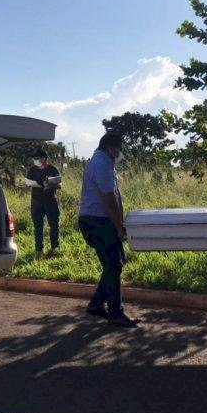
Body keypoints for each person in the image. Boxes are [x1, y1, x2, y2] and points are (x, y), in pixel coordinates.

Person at [78, 132, 140, 327]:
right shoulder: (102, 164)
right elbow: (109, 200)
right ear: (111, 148)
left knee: (114, 264)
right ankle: (115, 312)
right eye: (119, 149)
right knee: (114, 264)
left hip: (98, 220)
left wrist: (119, 222)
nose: (120, 153)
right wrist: (118, 226)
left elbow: (114, 195)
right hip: (98, 221)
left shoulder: (103, 162)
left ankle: (97, 305)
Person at [25, 147, 61, 257]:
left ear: (44, 159)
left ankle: (55, 247)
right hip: (36, 202)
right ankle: (39, 249)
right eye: (34, 158)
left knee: (54, 225)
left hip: (50, 201)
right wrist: (27, 185)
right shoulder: (32, 170)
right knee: (38, 226)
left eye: (37, 158)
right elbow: (28, 184)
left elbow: (59, 185)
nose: (35, 160)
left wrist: (49, 184)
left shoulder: (52, 169)